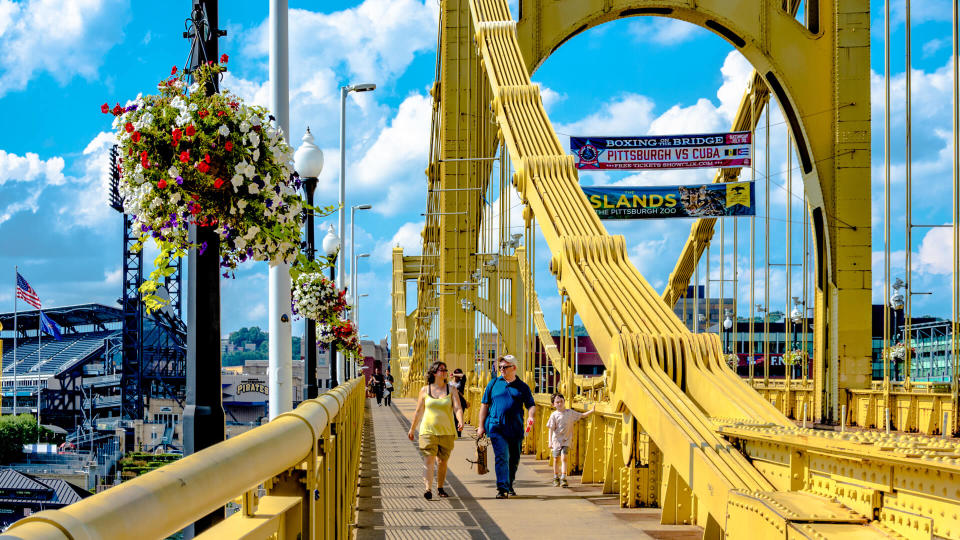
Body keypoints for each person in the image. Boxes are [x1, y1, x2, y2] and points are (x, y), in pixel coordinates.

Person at [477, 355, 536, 499]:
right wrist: (481, 426)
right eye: (500, 367)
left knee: (514, 458)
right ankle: (502, 488)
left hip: (515, 428)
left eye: (505, 367)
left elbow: (531, 405)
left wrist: (531, 416)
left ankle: (509, 484)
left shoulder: (522, 387)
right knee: (501, 456)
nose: (501, 370)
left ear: (514, 368)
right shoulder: (493, 384)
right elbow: (484, 405)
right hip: (496, 426)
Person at [408, 361, 465, 500]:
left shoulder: (451, 389)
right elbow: (418, 411)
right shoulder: (424, 390)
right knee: (429, 460)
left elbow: (457, 407)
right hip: (428, 431)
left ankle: (440, 487)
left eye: (446, 369)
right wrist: (412, 428)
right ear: (434, 373)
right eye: (441, 370)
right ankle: (428, 489)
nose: (445, 372)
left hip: (446, 431)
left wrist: (460, 420)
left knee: (442, 461)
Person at [546, 393, 595, 487]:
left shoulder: (570, 413)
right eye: (557, 402)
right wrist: (550, 442)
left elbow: (582, 415)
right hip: (556, 440)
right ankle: (556, 477)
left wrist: (591, 411)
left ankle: (563, 477)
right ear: (553, 404)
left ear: (564, 402)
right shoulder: (554, 415)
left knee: (564, 458)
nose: (560, 404)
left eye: (561, 401)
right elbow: (551, 429)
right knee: (556, 459)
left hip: (566, 440)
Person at [451, 368, 468, 436]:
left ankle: (458, 433)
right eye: (456, 376)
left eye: (458, 375)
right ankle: (455, 432)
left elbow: (464, 376)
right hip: (453, 402)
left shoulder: (461, 382)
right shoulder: (450, 383)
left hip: (461, 402)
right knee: (454, 418)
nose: (457, 377)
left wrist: (454, 374)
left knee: (459, 418)